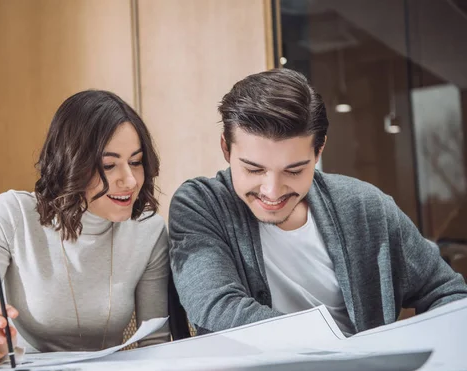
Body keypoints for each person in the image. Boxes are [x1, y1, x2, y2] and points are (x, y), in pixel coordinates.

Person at [169, 68, 467, 336]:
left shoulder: (365, 207)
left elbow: (447, 291)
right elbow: (217, 305)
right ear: (226, 148)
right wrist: (337, 349)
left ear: (319, 151)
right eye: (254, 169)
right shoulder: (200, 205)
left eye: (294, 170)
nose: (272, 191)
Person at [0, 90, 170, 363]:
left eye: (135, 162)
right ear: (72, 163)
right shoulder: (14, 214)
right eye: (109, 165)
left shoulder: (148, 230)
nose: (129, 180)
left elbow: (154, 342)